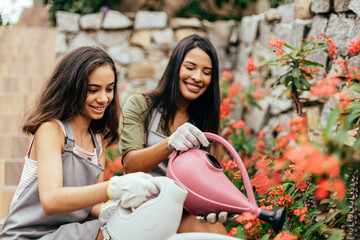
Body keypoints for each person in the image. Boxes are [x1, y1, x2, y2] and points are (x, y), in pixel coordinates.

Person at [0, 46, 159, 240]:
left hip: (66, 231)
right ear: (72, 89)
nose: (103, 98)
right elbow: (50, 200)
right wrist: (115, 186)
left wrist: (123, 206)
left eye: (109, 89)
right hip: (26, 235)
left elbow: (92, 206)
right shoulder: (52, 130)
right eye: (93, 90)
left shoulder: (98, 142)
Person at [119, 34, 229, 234]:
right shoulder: (141, 105)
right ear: (175, 67)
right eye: (190, 67)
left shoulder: (204, 123)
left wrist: (218, 205)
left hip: (181, 213)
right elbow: (130, 165)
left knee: (218, 234)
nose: (197, 77)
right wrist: (170, 142)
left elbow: (205, 183)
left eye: (207, 72)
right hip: (141, 209)